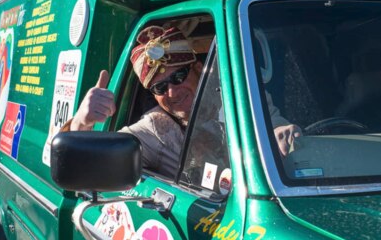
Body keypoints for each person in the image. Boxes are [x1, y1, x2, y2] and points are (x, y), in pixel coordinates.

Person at [66, 25, 301, 178]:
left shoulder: (238, 97)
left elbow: (274, 124)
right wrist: (81, 124)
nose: (172, 92)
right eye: (160, 87)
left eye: (178, 77)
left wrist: (282, 132)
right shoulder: (155, 129)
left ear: (198, 68)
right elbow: (93, 163)